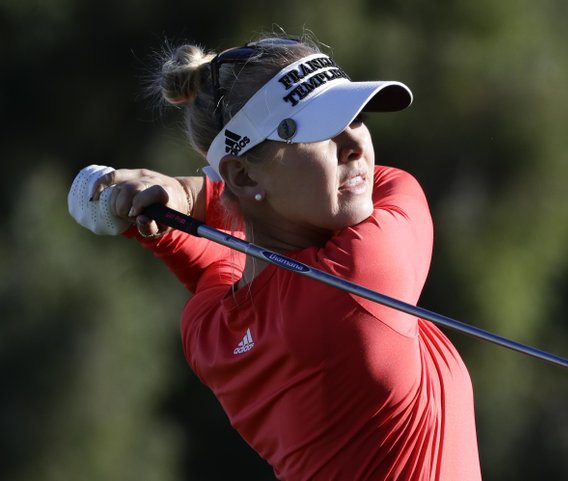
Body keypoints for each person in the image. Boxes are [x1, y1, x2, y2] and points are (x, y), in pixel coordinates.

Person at [68, 34, 482, 481]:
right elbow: (393, 184)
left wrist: (174, 205)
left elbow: (217, 264)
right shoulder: (361, 278)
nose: (354, 145)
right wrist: (186, 194)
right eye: (320, 130)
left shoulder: (209, 332)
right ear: (243, 175)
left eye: (356, 117)